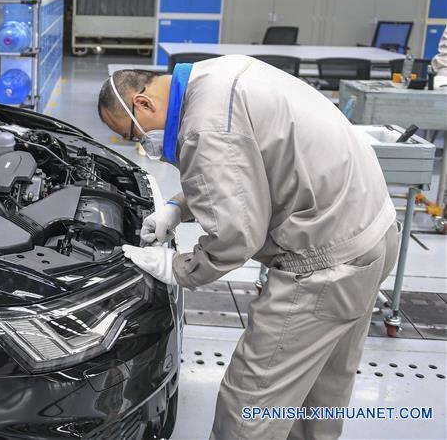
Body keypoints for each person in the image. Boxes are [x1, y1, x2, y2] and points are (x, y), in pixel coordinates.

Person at [97, 57, 398, 440]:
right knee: (321, 391)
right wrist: (179, 206)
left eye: (134, 134)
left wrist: (177, 266)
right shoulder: (220, 74)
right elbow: (250, 162)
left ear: (143, 104)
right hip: (372, 233)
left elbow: (237, 236)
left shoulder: (203, 127)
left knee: (251, 405)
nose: (143, 143)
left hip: (324, 266)